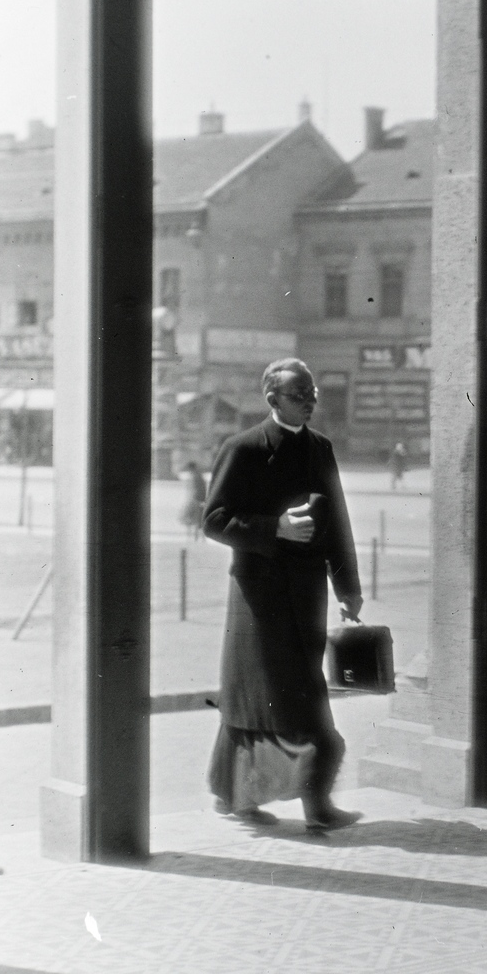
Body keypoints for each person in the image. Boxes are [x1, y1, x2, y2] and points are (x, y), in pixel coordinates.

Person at [202, 357, 364, 833]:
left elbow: (337, 522)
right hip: (258, 599)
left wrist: (348, 587)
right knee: (258, 695)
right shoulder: (244, 448)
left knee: (288, 691)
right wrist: (275, 530)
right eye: (300, 395)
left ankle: (237, 795)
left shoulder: (320, 449)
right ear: (272, 399)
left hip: (307, 593)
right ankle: (313, 805)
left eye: (313, 394)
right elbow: (213, 519)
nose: (310, 402)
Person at [177, 460, 206, 539]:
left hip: (195, 499)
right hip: (196, 499)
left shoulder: (196, 476)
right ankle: (194, 536)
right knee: (196, 519)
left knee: (194, 518)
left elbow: (197, 489)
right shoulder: (197, 475)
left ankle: (193, 536)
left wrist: (195, 499)